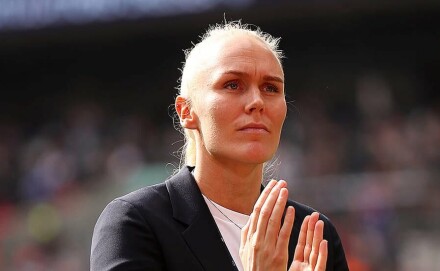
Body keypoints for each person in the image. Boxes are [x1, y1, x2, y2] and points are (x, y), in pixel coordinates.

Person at [90, 20, 349, 271]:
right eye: (233, 84)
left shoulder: (314, 233)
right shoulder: (135, 223)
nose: (257, 101)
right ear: (186, 111)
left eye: (270, 88)